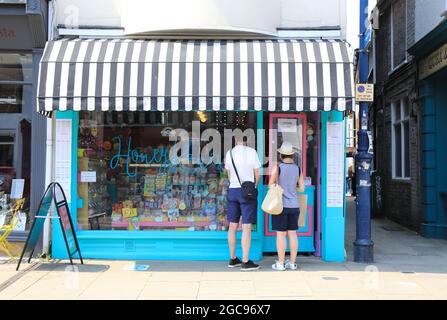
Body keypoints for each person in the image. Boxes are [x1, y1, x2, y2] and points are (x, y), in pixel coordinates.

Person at [225, 135, 261, 271]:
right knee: (246, 227)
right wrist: (254, 187)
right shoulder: (252, 152)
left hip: (232, 190)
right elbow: (257, 175)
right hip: (246, 192)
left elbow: (229, 174)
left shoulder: (230, 153)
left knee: (232, 226)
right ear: (247, 140)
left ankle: (233, 259)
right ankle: (245, 261)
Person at [268, 141, 304, 271]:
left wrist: (280, 187)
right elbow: (302, 188)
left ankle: (281, 263)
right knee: (293, 234)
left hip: (280, 206)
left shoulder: (277, 168)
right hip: (294, 206)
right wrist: (291, 188)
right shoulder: (297, 168)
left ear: (281, 154)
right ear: (292, 155)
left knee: (281, 235)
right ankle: (293, 263)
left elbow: (270, 185)